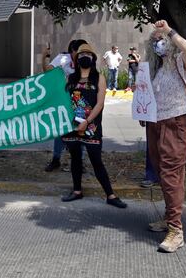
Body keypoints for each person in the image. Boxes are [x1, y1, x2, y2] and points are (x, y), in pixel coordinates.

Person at [144, 20, 186, 253]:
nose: (158, 43)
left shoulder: (181, 62)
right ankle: (168, 217)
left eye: (161, 39)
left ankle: (176, 230)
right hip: (156, 124)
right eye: (154, 40)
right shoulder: (157, 67)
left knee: (171, 174)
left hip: (175, 123)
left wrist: (169, 30)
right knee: (163, 174)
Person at [60, 43, 126, 208]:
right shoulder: (71, 78)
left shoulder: (99, 78)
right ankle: (77, 191)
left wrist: (87, 122)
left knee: (96, 161)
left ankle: (110, 195)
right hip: (73, 127)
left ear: (93, 59)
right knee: (75, 159)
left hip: (91, 127)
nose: (85, 58)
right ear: (76, 60)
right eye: (82, 55)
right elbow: (65, 101)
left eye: (88, 55)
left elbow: (100, 103)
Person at [42, 39, 87, 172]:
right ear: (72, 51)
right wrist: (44, 57)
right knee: (60, 130)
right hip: (64, 100)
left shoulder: (85, 60)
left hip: (80, 101)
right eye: (78, 51)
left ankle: (80, 161)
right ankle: (56, 159)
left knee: (80, 129)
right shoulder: (63, 59)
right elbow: (47, 72)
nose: (80, 54)